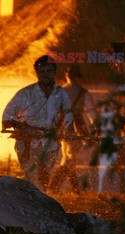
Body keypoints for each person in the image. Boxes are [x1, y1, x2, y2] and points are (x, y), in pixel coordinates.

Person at [2, 55, 73, 191]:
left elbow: (68, 115)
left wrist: (68, 133)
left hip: (50, 141)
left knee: (45, 177)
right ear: (37, 73)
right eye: (42, 72)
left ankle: (37, 204)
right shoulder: (26, 93)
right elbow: (7, 116)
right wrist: (24, 128)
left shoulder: (61, 94)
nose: (46, 75)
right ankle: (30, 205)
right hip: (28, 141)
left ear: (54, 72)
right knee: (32, 175)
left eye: (49, 71)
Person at [49, 64, 97, 194]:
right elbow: (92, 113)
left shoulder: (59, 91)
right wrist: (94, 129)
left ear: (67, 76)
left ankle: (75, 190)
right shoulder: (82, 93)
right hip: (75, 127)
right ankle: (54, 187)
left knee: (68, 158)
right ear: (77, 77)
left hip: (63, 127)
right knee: (70, 159)